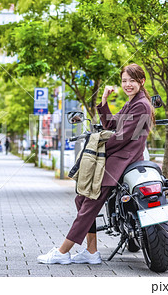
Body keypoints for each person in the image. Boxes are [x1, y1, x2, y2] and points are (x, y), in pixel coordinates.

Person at [37, 63, 154, 265]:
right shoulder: (133, 102)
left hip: (122, 159)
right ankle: (91, 252)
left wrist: (97, 145)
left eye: (132, 81)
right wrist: (104, 101)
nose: (127, 84)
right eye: (124, 81)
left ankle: (62, 252)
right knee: (82, 200)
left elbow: (122, 138)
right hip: (120, 157)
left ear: (141, 82)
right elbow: (111, 124)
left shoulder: (141, 104)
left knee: (89, 202)